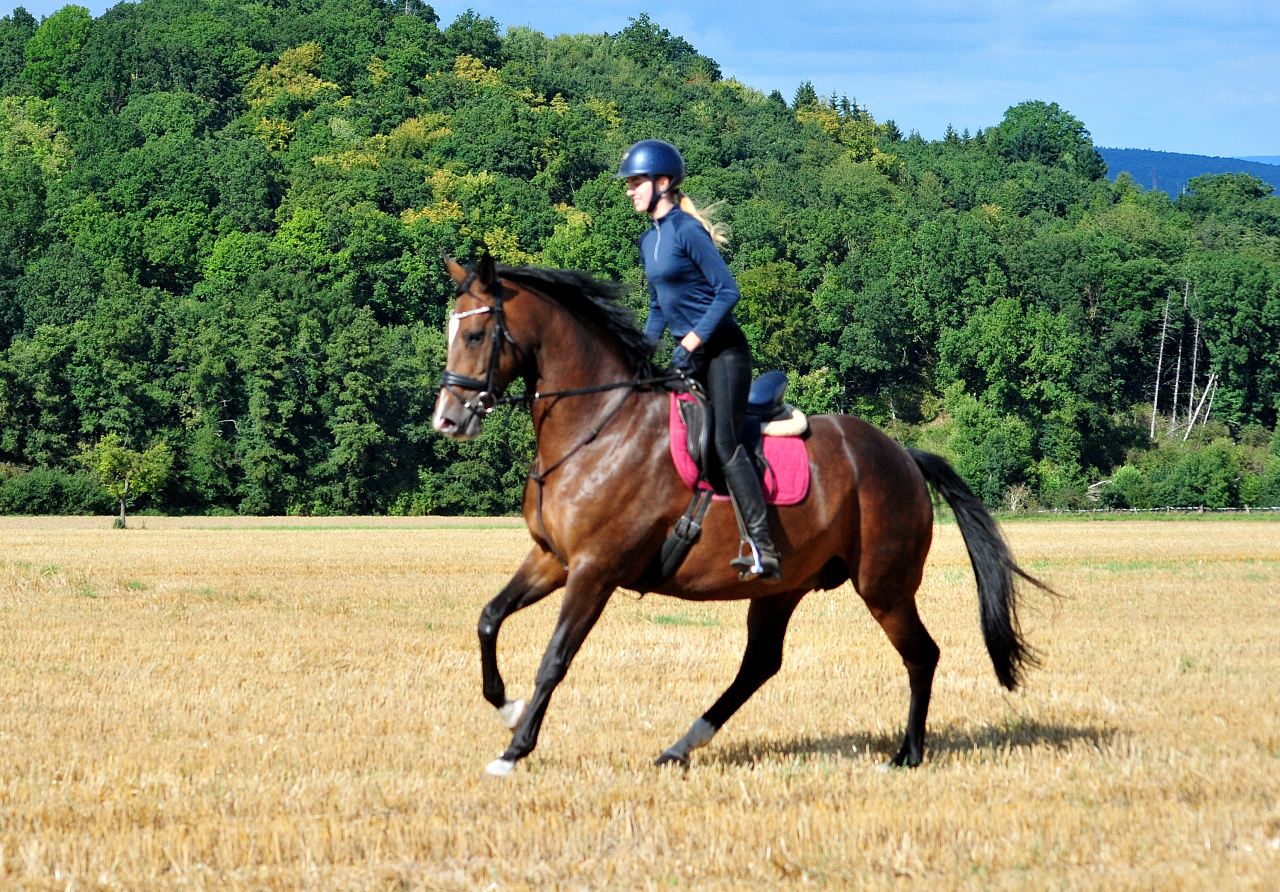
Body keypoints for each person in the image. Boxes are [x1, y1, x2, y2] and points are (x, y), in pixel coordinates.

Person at [617, 139, 781, 582]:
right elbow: (656, 307)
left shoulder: (687, 231)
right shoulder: (647, 241)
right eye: (628, 184)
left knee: (724, 444)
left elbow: (728, 291)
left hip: (723, 354)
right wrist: (641, 358)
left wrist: (690, 342)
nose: (629, 190)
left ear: (663, 182)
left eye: (636, 183)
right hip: (685, 358)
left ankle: (763, 546)